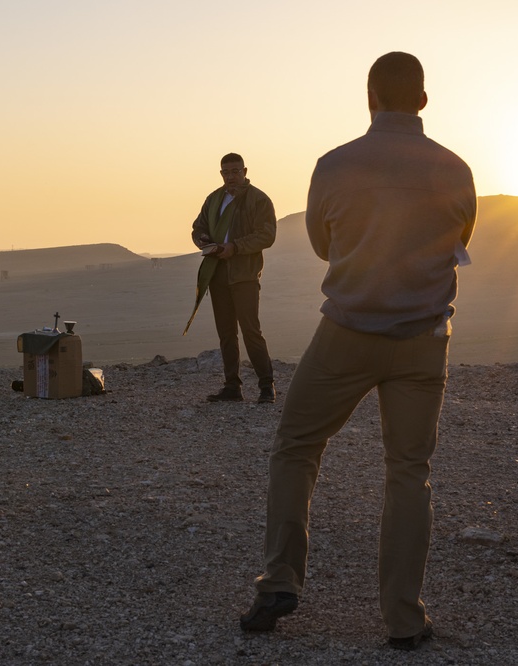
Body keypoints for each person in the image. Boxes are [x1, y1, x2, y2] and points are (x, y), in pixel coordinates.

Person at [240, 52, 476, 649]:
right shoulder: (456, 169)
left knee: (296, 446)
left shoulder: (334, 165)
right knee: (408, 473)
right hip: (424, 341)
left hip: (346, 333)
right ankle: (403, 619)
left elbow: (323, 244)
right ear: (423, 100)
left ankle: (279, 582)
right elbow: (461, 236)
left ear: (369, 97)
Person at [185, 153, 277, 404]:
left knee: (251, 331)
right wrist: (203, 240)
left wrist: (235, 247)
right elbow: (198, 227)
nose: (231, 176)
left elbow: (267, 235)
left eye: (236, 171)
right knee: (226, 332)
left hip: (244, 273)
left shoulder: (258, 199)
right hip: (217, 273)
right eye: (226, 172)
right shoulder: (214, 199)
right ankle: (232, 387)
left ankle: (266, 386)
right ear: (221, 174)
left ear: (245, 171)